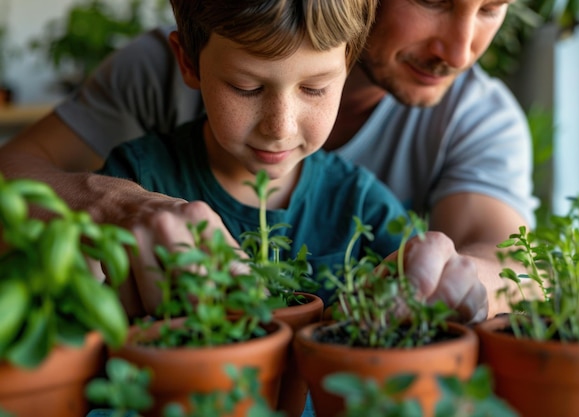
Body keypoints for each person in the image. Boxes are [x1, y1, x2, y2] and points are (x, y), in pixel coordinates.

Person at [0, 0, 536, 323]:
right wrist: (107, 210)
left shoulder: (474, 118)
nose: (462, 51)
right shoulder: (149, 121)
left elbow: (513, 261)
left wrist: (462, 279)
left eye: (492, 8)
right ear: (189, 62)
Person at [97, 0, 407, 316]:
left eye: (315, 88)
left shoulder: (364, 204)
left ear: (348, 66)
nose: (279, 128)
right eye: (247, 87)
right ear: (189, 62)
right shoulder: (136, 178)